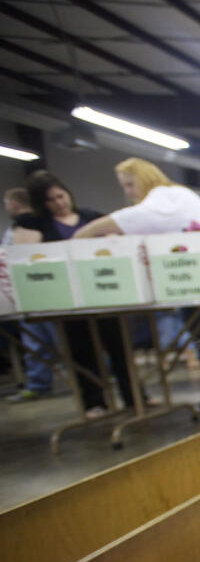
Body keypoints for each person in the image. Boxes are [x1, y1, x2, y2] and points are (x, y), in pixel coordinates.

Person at [75, 157, 200, 412]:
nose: (129, 192)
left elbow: (134, 218)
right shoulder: (178, 194)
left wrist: (82, 235)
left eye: (130, 184)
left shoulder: (164, 199)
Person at [12, 171, 140, 417]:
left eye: (61, 196)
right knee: (81, 351)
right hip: (67, 301)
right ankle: (94, 402)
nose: (59, 203)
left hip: (106, 295)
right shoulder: (33, 224)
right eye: (51, 200)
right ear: (42, 203)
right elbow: (26, 256)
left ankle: (134, 396)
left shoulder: (92, 217)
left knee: (120, 347)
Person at [3, 187, 60, 403]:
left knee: (40, 342)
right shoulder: (42, 223)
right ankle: (38, 384)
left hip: (36, 291)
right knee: (40, 341)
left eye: (6, 202)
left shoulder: (25, 225)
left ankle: (39, 385)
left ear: (14, 203)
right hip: (35, 293)